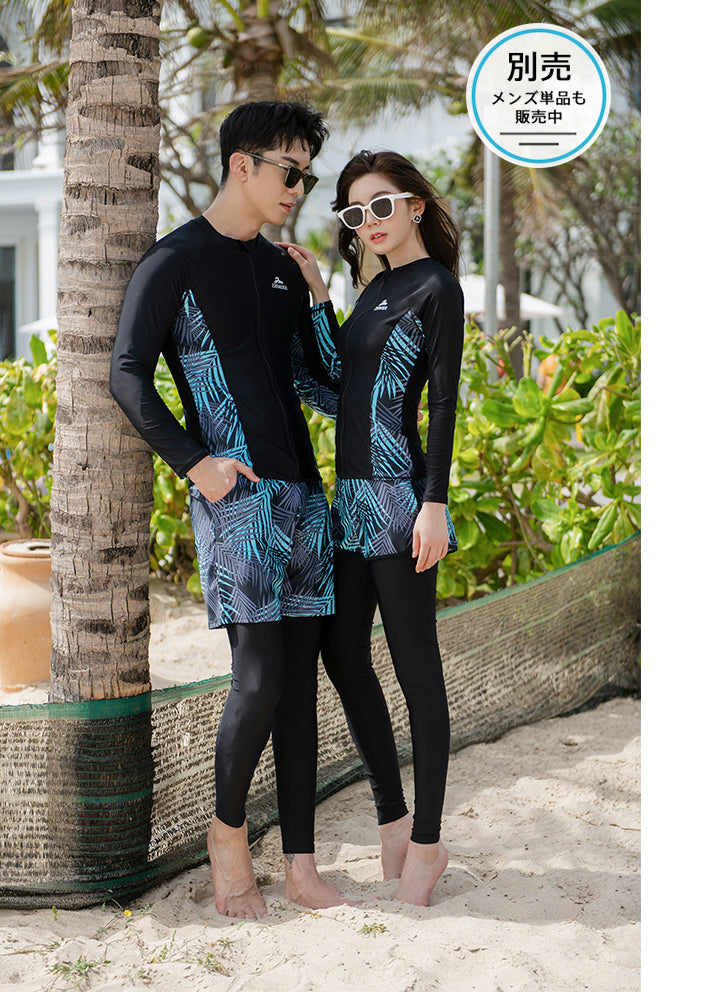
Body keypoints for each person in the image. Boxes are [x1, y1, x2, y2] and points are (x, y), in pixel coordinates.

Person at [109, 100, 349, 920]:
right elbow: (128, 373)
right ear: (242, 165)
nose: (300, 188)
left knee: (300, 687)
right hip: (238, 498)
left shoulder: (281, 267)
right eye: (291, 171)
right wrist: (196, 464)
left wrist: (318, 298)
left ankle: (303, 868)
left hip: (303, 498)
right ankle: (227, 836)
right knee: (258, 680)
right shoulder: (174, 261)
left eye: (307, 176)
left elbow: (324, 387)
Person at [280, 149, 464, 907]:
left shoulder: (435, 288)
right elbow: (340, 388)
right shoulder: (375, 289)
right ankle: (393, 819)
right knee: (342, 654)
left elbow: (443, 402)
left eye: (381, 206)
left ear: (415, 205)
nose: (369, 223)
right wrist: (320, 299)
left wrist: (434, 503)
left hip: (401, 502)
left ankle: (428, 842)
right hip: (351, 503)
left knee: (418, 673)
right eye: (355, 214)